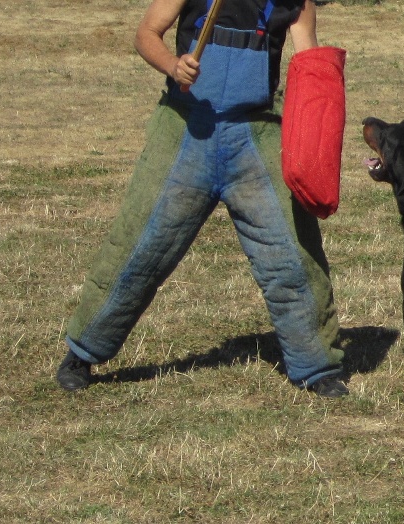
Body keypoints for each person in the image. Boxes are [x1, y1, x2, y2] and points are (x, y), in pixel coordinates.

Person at [55, 0, 348, 397]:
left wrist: (316, 138)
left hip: (255, 137)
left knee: (294, 258)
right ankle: (83, 351)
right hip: (184, 131)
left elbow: (309, 68)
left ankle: (318, 367)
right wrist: (173, 66)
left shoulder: (296, 3)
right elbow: (146, 36)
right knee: (137, 249)